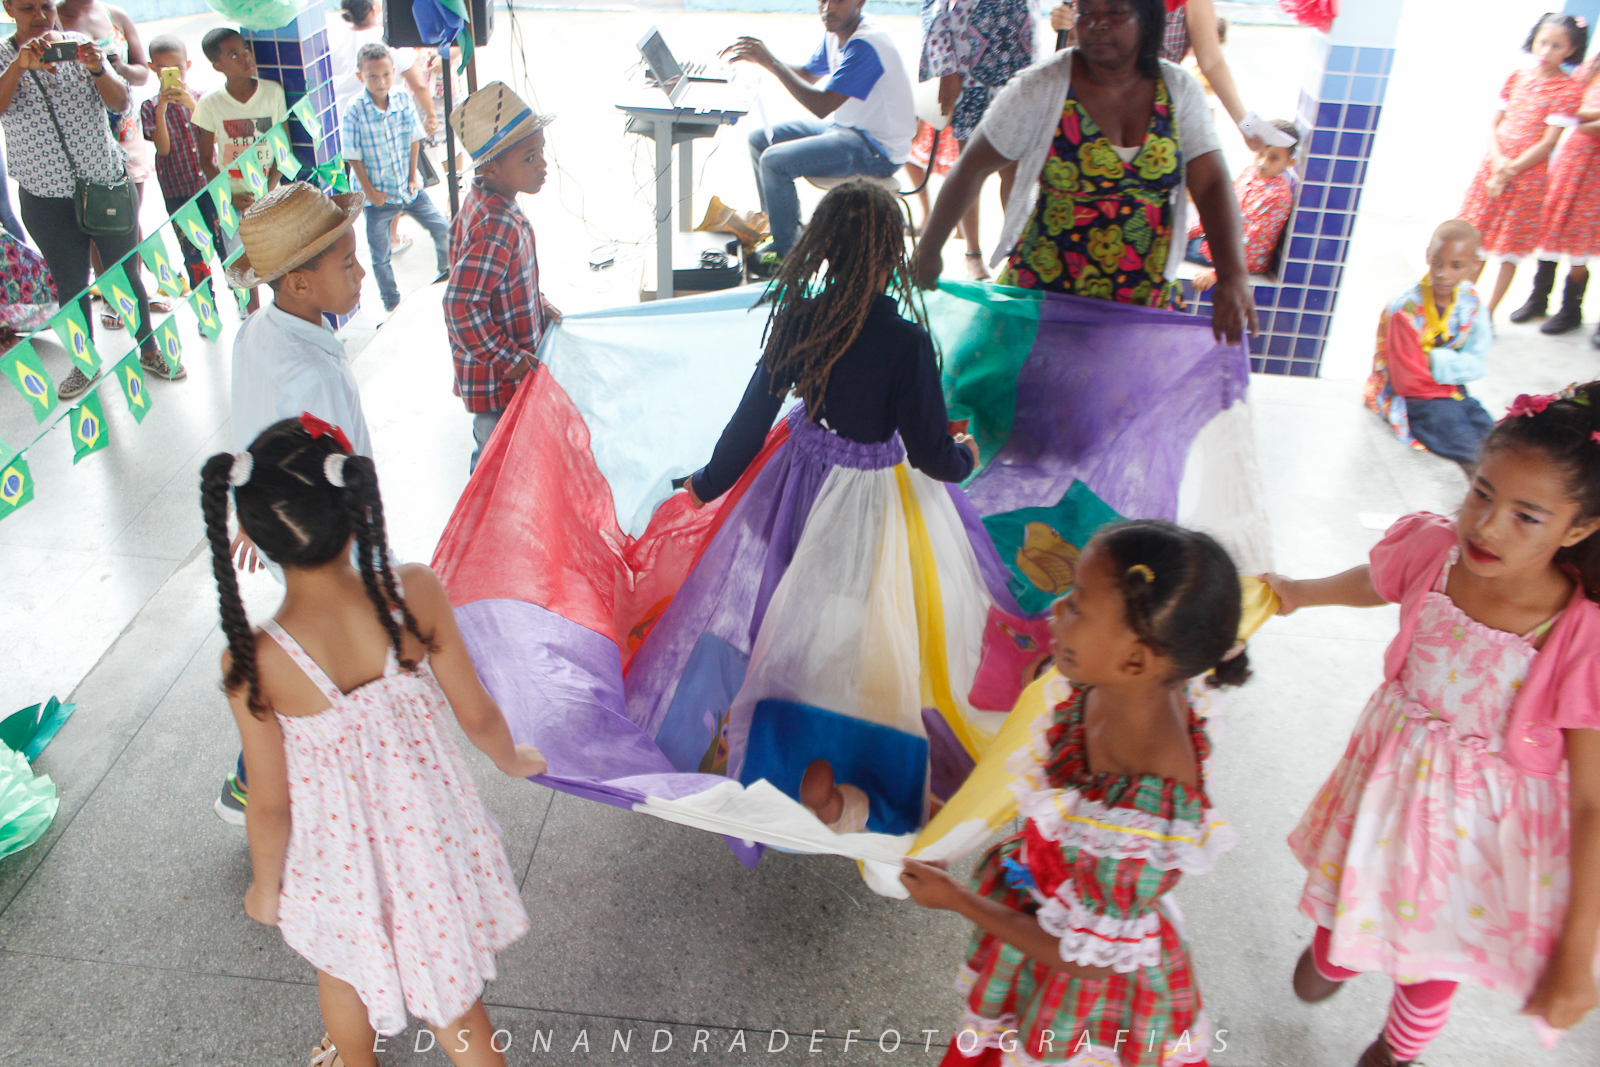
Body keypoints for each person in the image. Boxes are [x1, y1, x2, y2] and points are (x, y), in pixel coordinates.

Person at [626, 181, 994, 836]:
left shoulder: (802, 318)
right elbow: (931, 455)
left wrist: (704, 485)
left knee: (785, 609)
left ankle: (767, 734)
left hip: (792, 485)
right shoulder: (907, 342)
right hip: (863, 508)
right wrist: (965, 454)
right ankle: (833, 753)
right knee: (850, 626)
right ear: (892, 255)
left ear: (822, 249)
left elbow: (749, 423)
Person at [1268, 384, 1600, 1066]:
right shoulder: (1433, 550)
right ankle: (1336, 954)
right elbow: (1376, 580)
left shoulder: (1579, 638)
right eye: (1482, 493)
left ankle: (1396, 1052)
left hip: (1478, 838)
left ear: (1577, 529)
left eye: (1526, 516)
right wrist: (1300, 592)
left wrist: (1576, 951)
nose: (1488, 526)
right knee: (1340, 932)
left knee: (1430, 966)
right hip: (1388, 792)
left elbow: (1593, 800)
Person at [201, 417, 543, 1067]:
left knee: (341, 971)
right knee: (455, 1001)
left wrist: (267, 885)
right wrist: (512, 759)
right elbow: (476, 714)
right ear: (357, 507)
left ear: (256, 536)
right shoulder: (414, 592)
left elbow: (268, 802)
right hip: (428, 842)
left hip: (335, 861)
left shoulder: (255, 660)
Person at [902, 520, 1246, 1065]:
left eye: (1077, 605)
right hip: (1058, 899)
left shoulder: (1138, 810)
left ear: (1135, 659)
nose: (1057, 609)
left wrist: (956, 899)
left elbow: (1090, 961)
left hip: (1080, 982)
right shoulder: (1133, 681)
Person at [914, 0, 1256, 345]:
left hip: (1140, 295)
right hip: (1046, 290)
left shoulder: (1180, 90)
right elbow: (971, 168)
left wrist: (1232, 276)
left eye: (1116, 12)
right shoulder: (1040, 86)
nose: (1097, 23)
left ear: (1147, 20)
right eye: (1086, 12)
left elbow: (1212, 185)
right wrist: (928, 250)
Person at [212, 180, 370, 825]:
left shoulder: (256, 331)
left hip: (279, 520)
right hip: (323, 535)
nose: (361, 274)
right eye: (348, 264)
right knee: (327, 650)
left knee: (315, 647)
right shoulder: (313, 374)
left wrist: (251, 507)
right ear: (300, 284)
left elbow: (251, 423)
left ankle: (281, 773)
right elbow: (337, 474)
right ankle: (257, 779)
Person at [0, 0, 174, 400]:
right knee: (70, 284)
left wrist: (98, 67)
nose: (40, 16)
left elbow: (121, 103)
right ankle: (84, 363)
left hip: (106, 183)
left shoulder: (80, 45)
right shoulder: (3, 57)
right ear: (9, 8)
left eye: (46, 6)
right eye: (28, 8)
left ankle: (149, 349)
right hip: (44, 194)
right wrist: (19, 67)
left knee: (125, 273)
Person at [723, 0, 915, 268]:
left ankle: (788, 256)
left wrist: (771, 62)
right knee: (760, 139)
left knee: (774, 161)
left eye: (838, 0)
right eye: (823, 0)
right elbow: (808, 74)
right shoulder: (837, 32)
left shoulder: (867, 44)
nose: (828, 8)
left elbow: (821, 106)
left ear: (860, 2)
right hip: (848, 129)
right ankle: (783, 234)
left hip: (877, 149)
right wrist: (763, 61)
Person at [443, 82, 559, 473]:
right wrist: (509, 358)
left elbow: (500, 283)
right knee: (496, 464)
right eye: (529, 158)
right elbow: (460, 306)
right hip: (498, 384)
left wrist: (539, 304)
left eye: (541, 152)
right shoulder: (497, 224)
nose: (542, 165)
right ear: (490, 167)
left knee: (508, 457)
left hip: (501, 375)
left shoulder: (485, 201)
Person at [1460, 13, 1586, 318]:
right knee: (1477, 242)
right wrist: (1496, 160)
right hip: (1492, 168)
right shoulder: (1517, 77)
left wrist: (1509, 171)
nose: (1546, 51)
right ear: (1533, 40)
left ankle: (1487, 314)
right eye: (1543, 42)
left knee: (1509, 250)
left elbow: (1548, 143)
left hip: (1526, 178)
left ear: (1570, 50)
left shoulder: (1567, 90)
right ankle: (1461, 310)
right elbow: (1493, 124)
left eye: (1556, 46)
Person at [55, 0, 164, 325]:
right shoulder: (51, 18)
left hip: (125, 128)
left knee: (129, 217)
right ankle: (112, 298)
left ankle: (137, 290)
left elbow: (142, 73)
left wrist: (117, 66)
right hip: (84, 134)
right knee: (96, 219)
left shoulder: (116, 15)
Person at [1364, 220, 1494, 475]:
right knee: (1467, 445)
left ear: (1474, 265)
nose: (1444, 274)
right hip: (1413, 395)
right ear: (1427, 257)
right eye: (1437, 263)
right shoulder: (1406, 307)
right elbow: (1407, 378)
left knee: (1493, 435)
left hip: (1451, 388)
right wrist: (1449, 368)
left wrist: (1433, 359)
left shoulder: (1470, 300)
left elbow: (1477, 360)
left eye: (1456, 266)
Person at [918, 0, 1035, 279]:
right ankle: (973, 254)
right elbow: (932, 10)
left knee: (1015, 172)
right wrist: (947, 69)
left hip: (1019, 69)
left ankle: (1016, 253)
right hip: (970, 76)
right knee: (970, 169)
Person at [342, 42, 450, 314]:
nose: (381, 82)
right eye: (372, 76)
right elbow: (353, 156)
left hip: (408, 189)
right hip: (378, 198)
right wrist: (371, 193)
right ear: (360, 76)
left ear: (394, 72)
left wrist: (413, 177)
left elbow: (414, 138)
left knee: (442, 228)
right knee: (380, 256)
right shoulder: (354, 109)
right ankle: (392, 303)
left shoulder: (402, 97)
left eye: (386, 74)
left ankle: (446, 277)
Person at [192, 26, 288, 314]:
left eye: (246, 50)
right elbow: (205, 160)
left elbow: (283, 146)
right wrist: (228, 196)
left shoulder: (272, 93)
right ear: (217, 65)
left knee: (279, 261)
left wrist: (269, 188)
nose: (246, 57)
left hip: (269, 195)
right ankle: (253, 316)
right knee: (244, 266)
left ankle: (282, 315)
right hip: (233, 201)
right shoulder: (210, 104)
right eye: (234, 55)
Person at [1513, 53, 1600, 337]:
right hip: (1574, 159)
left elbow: (1577, 113)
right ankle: (1539, 300)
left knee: (1583, 238)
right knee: (1553, 226)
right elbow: (1569, 105)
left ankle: (1570, 309)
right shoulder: (1592, 66)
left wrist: (1584, 117)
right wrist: (1587, 117)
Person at [142, 35, 219, 291]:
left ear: (188, 65)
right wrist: (161, 110)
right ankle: (206, 301)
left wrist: (191, 105)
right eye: (163, 70)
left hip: (210, 185)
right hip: (178, 192)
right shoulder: (150, 107)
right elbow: (163, 149)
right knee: (193, 253)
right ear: (152, 68)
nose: (171, 75)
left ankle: (240, 296)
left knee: (225, 243)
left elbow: (215, 134)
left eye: (177, 69)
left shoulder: (202, 99)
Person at [1186, 117, 1296, 287]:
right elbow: (1219, 212)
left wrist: (1218, 272)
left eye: (1273, 158)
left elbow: (1253, 244)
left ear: (1289, 163)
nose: (1262, 163)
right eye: (1261, 154)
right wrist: (1188, 232)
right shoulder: (1249, 174)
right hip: (1217, 248)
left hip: (1239, 262)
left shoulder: (1278, 197)